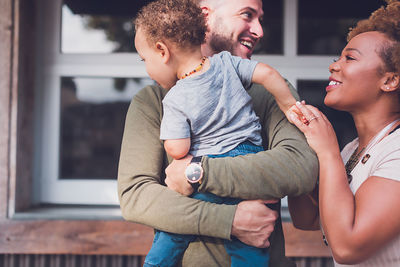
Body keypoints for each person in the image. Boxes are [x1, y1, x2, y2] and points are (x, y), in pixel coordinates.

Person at [118, 0, 318, 266]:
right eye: (247, 15)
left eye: (259, 19)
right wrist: (230, 221)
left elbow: (300, 168)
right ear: (205, 17)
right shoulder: (152, 100)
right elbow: (137, 196)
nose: (259, 30)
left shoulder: (273, 91)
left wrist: (198, 172)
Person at [287, 1, 400, 266]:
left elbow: (348, 247)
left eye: (349, 58)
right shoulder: (351, 150)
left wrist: (327, 152)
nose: (334, 66)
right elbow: (309, 219)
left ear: (390, 80)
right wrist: (299, 147)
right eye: (337, 57)